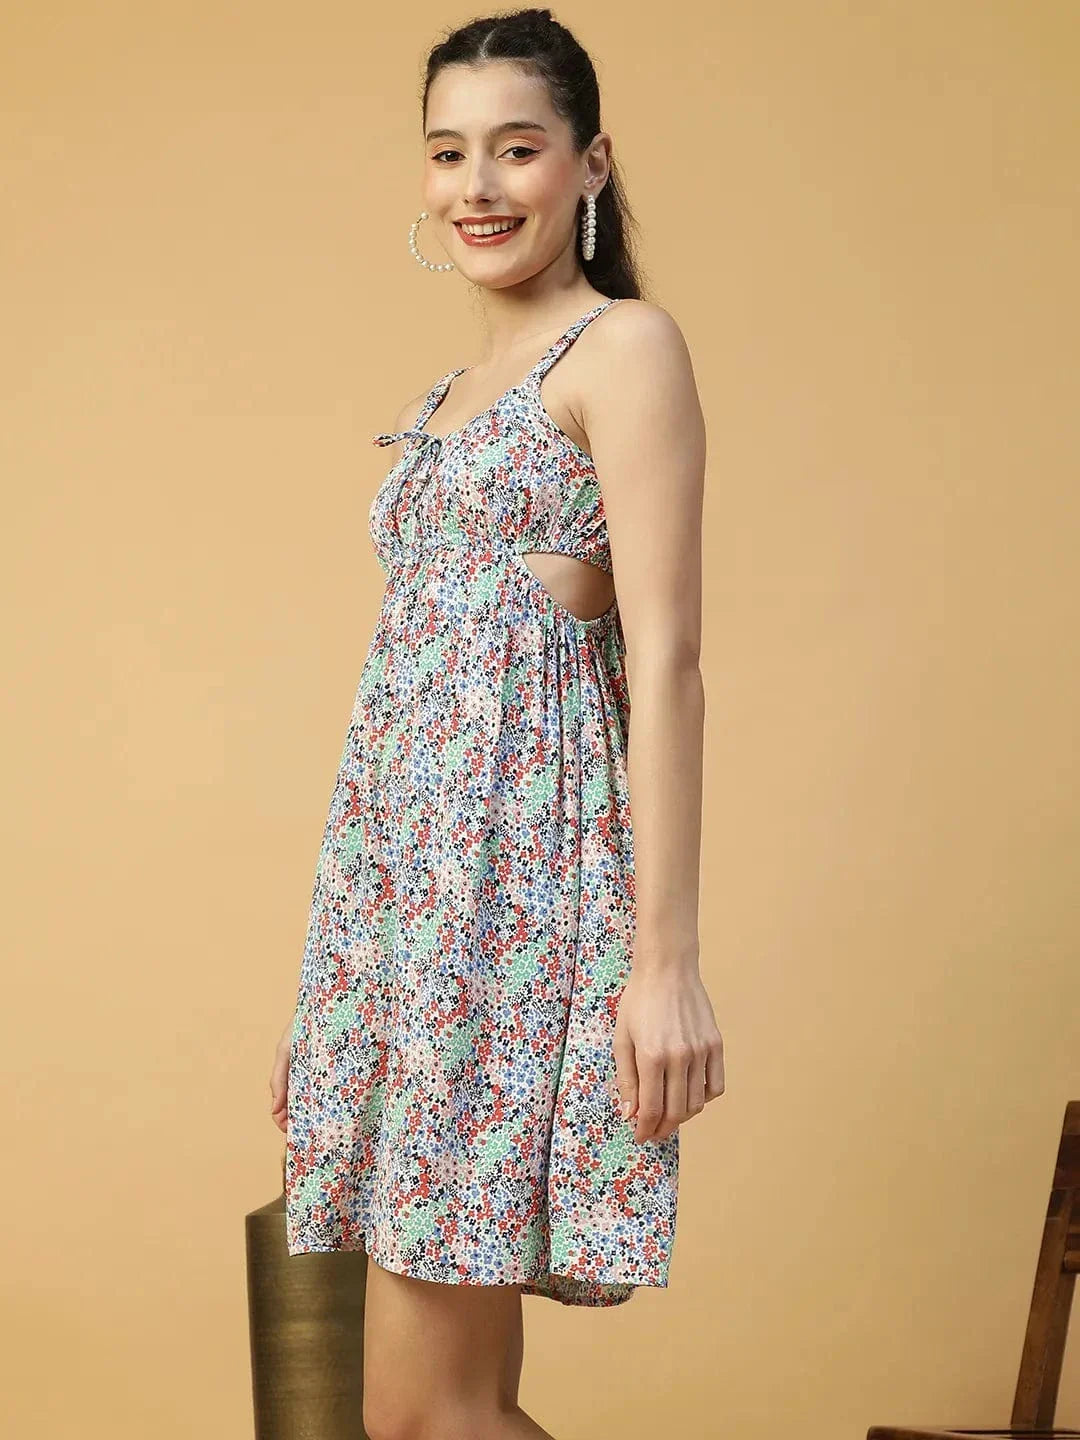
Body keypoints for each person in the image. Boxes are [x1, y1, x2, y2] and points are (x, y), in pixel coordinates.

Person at [269, 8, 724, 1436]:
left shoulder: (621, 349)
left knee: (429, 1420)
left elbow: (668, 661)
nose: (476, 185)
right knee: (418, 1416)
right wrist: (342, 981)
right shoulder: (450, 398)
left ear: (591, 164)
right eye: (447, 151)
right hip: (403, 918)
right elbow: (408, 708)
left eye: (516, 149)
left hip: (511, 916)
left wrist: (664, 966)